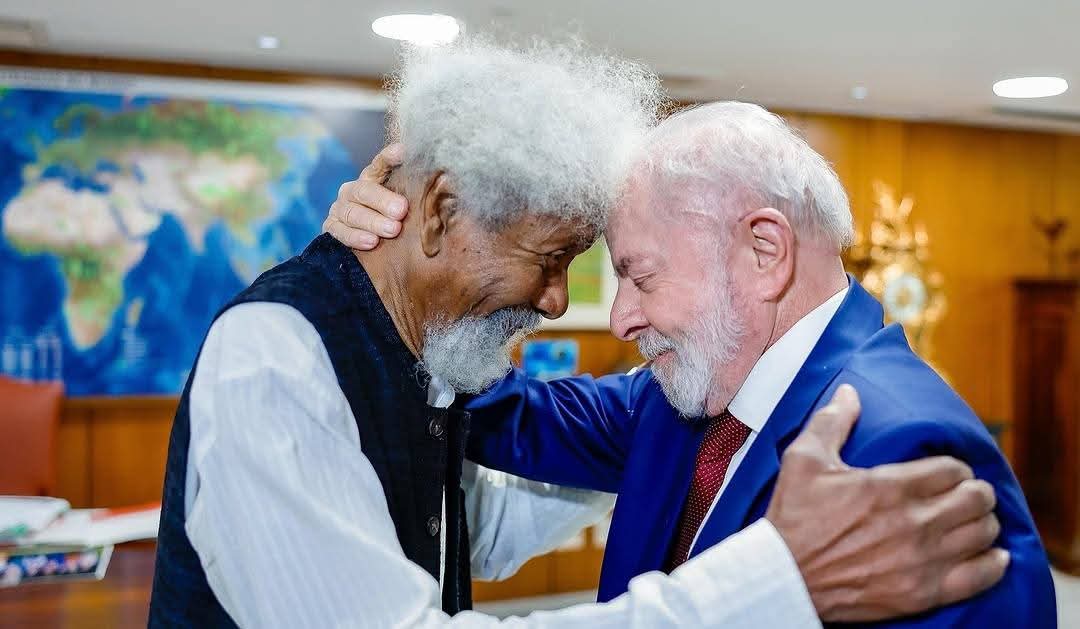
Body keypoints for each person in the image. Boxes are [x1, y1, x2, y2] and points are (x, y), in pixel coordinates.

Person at [324, 103, 1052, 625]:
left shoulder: (900, 447)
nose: (621, 318)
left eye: (639, 276)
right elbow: (498, 410)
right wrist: (390, 276)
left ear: (764, 252)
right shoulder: (682, 394)